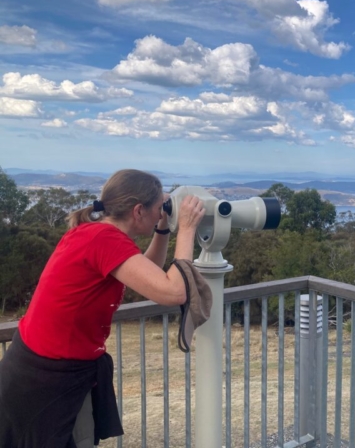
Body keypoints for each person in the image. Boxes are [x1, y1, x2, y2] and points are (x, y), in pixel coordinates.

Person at [0, 169, 205, 447]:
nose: (161, 212)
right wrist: (188, 229)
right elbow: (173, 292)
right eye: (159, 208)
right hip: (43, 378)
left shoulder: (97, 234)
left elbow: (151, 270)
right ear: (138, 211)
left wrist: (164, 226)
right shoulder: (103, 240)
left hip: (49, 368)